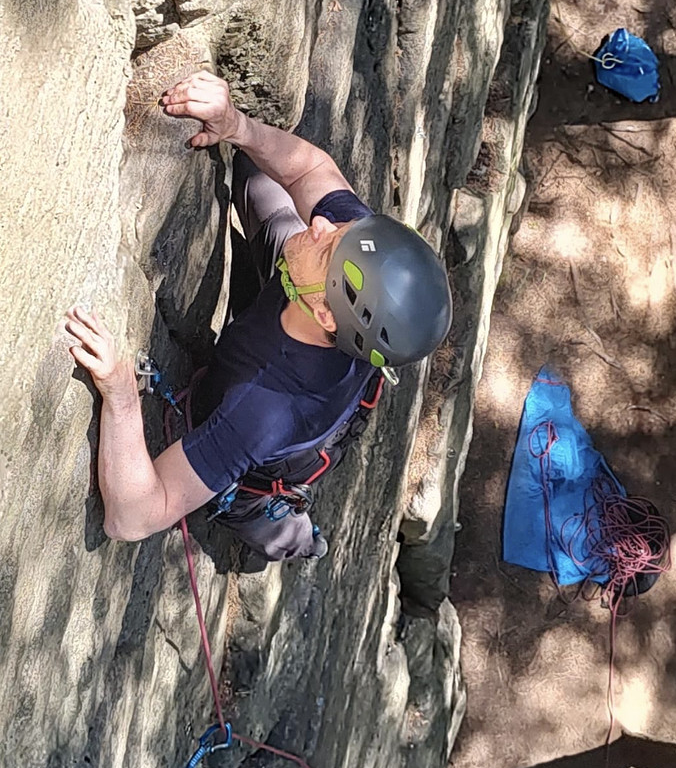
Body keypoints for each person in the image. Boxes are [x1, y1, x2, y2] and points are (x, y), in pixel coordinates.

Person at [64, 70, 452, 560]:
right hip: (294, 328)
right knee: (258, 170)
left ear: (325, 312)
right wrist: (236, 126)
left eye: (328, 246)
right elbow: (311, 171)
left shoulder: (263, 409)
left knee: (267, 517)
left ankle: (295, 538)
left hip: (267, 439)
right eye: (340, 229)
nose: (321, 223)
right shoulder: (352, 268)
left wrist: (121, 396)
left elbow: (132, 517)